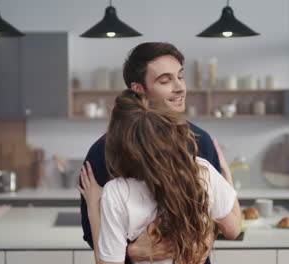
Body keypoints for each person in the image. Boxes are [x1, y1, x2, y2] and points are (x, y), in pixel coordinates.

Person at [79, 42, 234, 263]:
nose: (179, 87)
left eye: (180, 76)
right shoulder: (104, 151)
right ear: (138, 89)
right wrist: (134, 252)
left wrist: (190, 245)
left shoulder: (200, 141)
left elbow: (222, 219)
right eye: (165, 80)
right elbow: (92, 234)